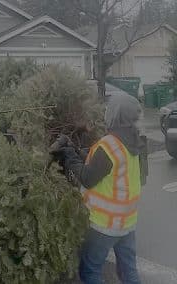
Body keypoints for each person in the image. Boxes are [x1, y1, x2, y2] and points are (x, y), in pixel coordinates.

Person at [59, 95, 143, 284]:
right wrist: (78, 152)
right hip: (127, 222)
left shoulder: (109, 144)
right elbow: (104, 167)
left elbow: (88, 178)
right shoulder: (133, 141)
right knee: (128, 271)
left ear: (114, 115)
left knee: (90, 270)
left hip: (104, 225)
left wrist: (70, 157)